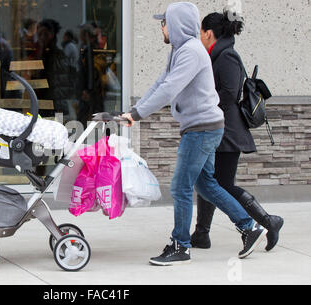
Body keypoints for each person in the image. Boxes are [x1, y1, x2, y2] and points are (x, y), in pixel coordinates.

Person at [121, 2, 266, 266]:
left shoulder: (190, 52)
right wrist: (134, 110)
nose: (161, 28)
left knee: (180, 186)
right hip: (204, 126)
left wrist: (138, 115)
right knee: (206, 184)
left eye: (163, 23)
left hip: (202, 128)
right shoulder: (179, 50)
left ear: (175, 24)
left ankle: (181, 245)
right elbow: (160, 83)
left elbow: (169, 89)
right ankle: (250, 228)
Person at [190, 11, 284, 251]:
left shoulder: (227, 56)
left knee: (221, 184)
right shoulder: (216, 55)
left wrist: (202, 101)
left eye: (201, 32)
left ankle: (268, 221)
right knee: (206, 180)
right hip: (217, 128)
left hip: (228, 132)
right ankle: (201, 234)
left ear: (209, 33)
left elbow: (230, 93)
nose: (199, 36)